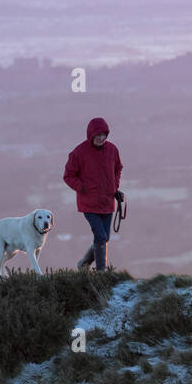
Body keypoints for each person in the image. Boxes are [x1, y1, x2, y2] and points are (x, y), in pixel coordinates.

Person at [63, 116, 123, 271]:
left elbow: (118, 168)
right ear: (91, 135)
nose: (101, 138)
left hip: (108, 202)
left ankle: (83, 264)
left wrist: (115, 187)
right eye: (98, 135)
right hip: (89, 204)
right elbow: (68, 176)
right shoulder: (78, 152)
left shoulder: (112, 149)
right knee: (101, 237)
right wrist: (82, 188)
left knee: (105, 238)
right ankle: (101, 272)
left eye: (104, 135)